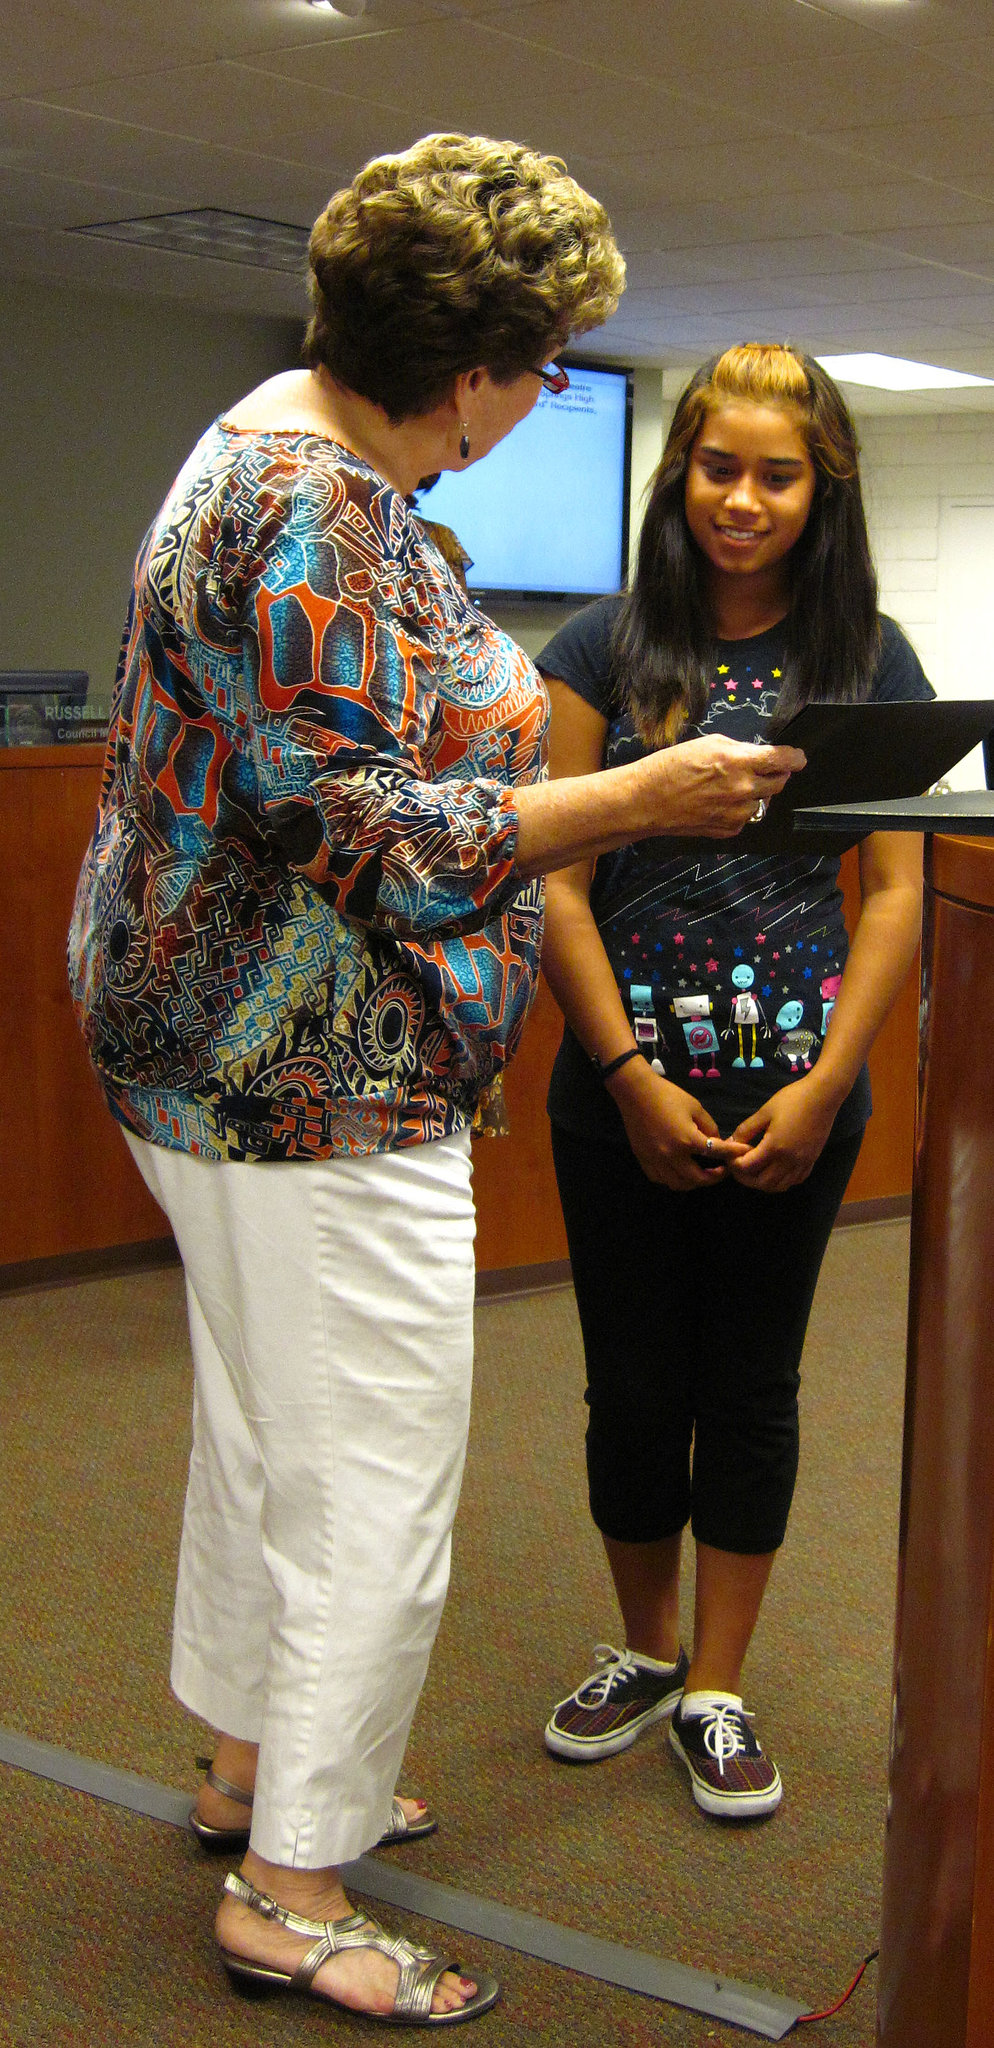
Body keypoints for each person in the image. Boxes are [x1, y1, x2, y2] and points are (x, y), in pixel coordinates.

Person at [68, 143, 804, 2027]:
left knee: (270, 1441)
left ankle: (253, 1771)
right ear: (462, 359)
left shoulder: (283, 451)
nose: (547, 388)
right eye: (542, 356)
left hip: (208, 1036)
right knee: (370, 1474)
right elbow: (362, 832)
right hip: (303, 1062)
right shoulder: (308, 500)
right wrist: (633, 796)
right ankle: (294, 1886)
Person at [538, 343, 931, 1823]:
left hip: (797, 1098)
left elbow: (891, 897)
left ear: (820, 488)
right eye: (717, 469)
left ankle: (718, 1681)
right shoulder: (597, 652)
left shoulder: (868, 663)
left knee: (748, 1388)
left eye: (775, 474)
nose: (741, 501)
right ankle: (643, 1652)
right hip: (619, 1092)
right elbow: (555, 886)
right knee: (632, 1389)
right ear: (678, 475)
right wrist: (628, 1076)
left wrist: (832, 1084)